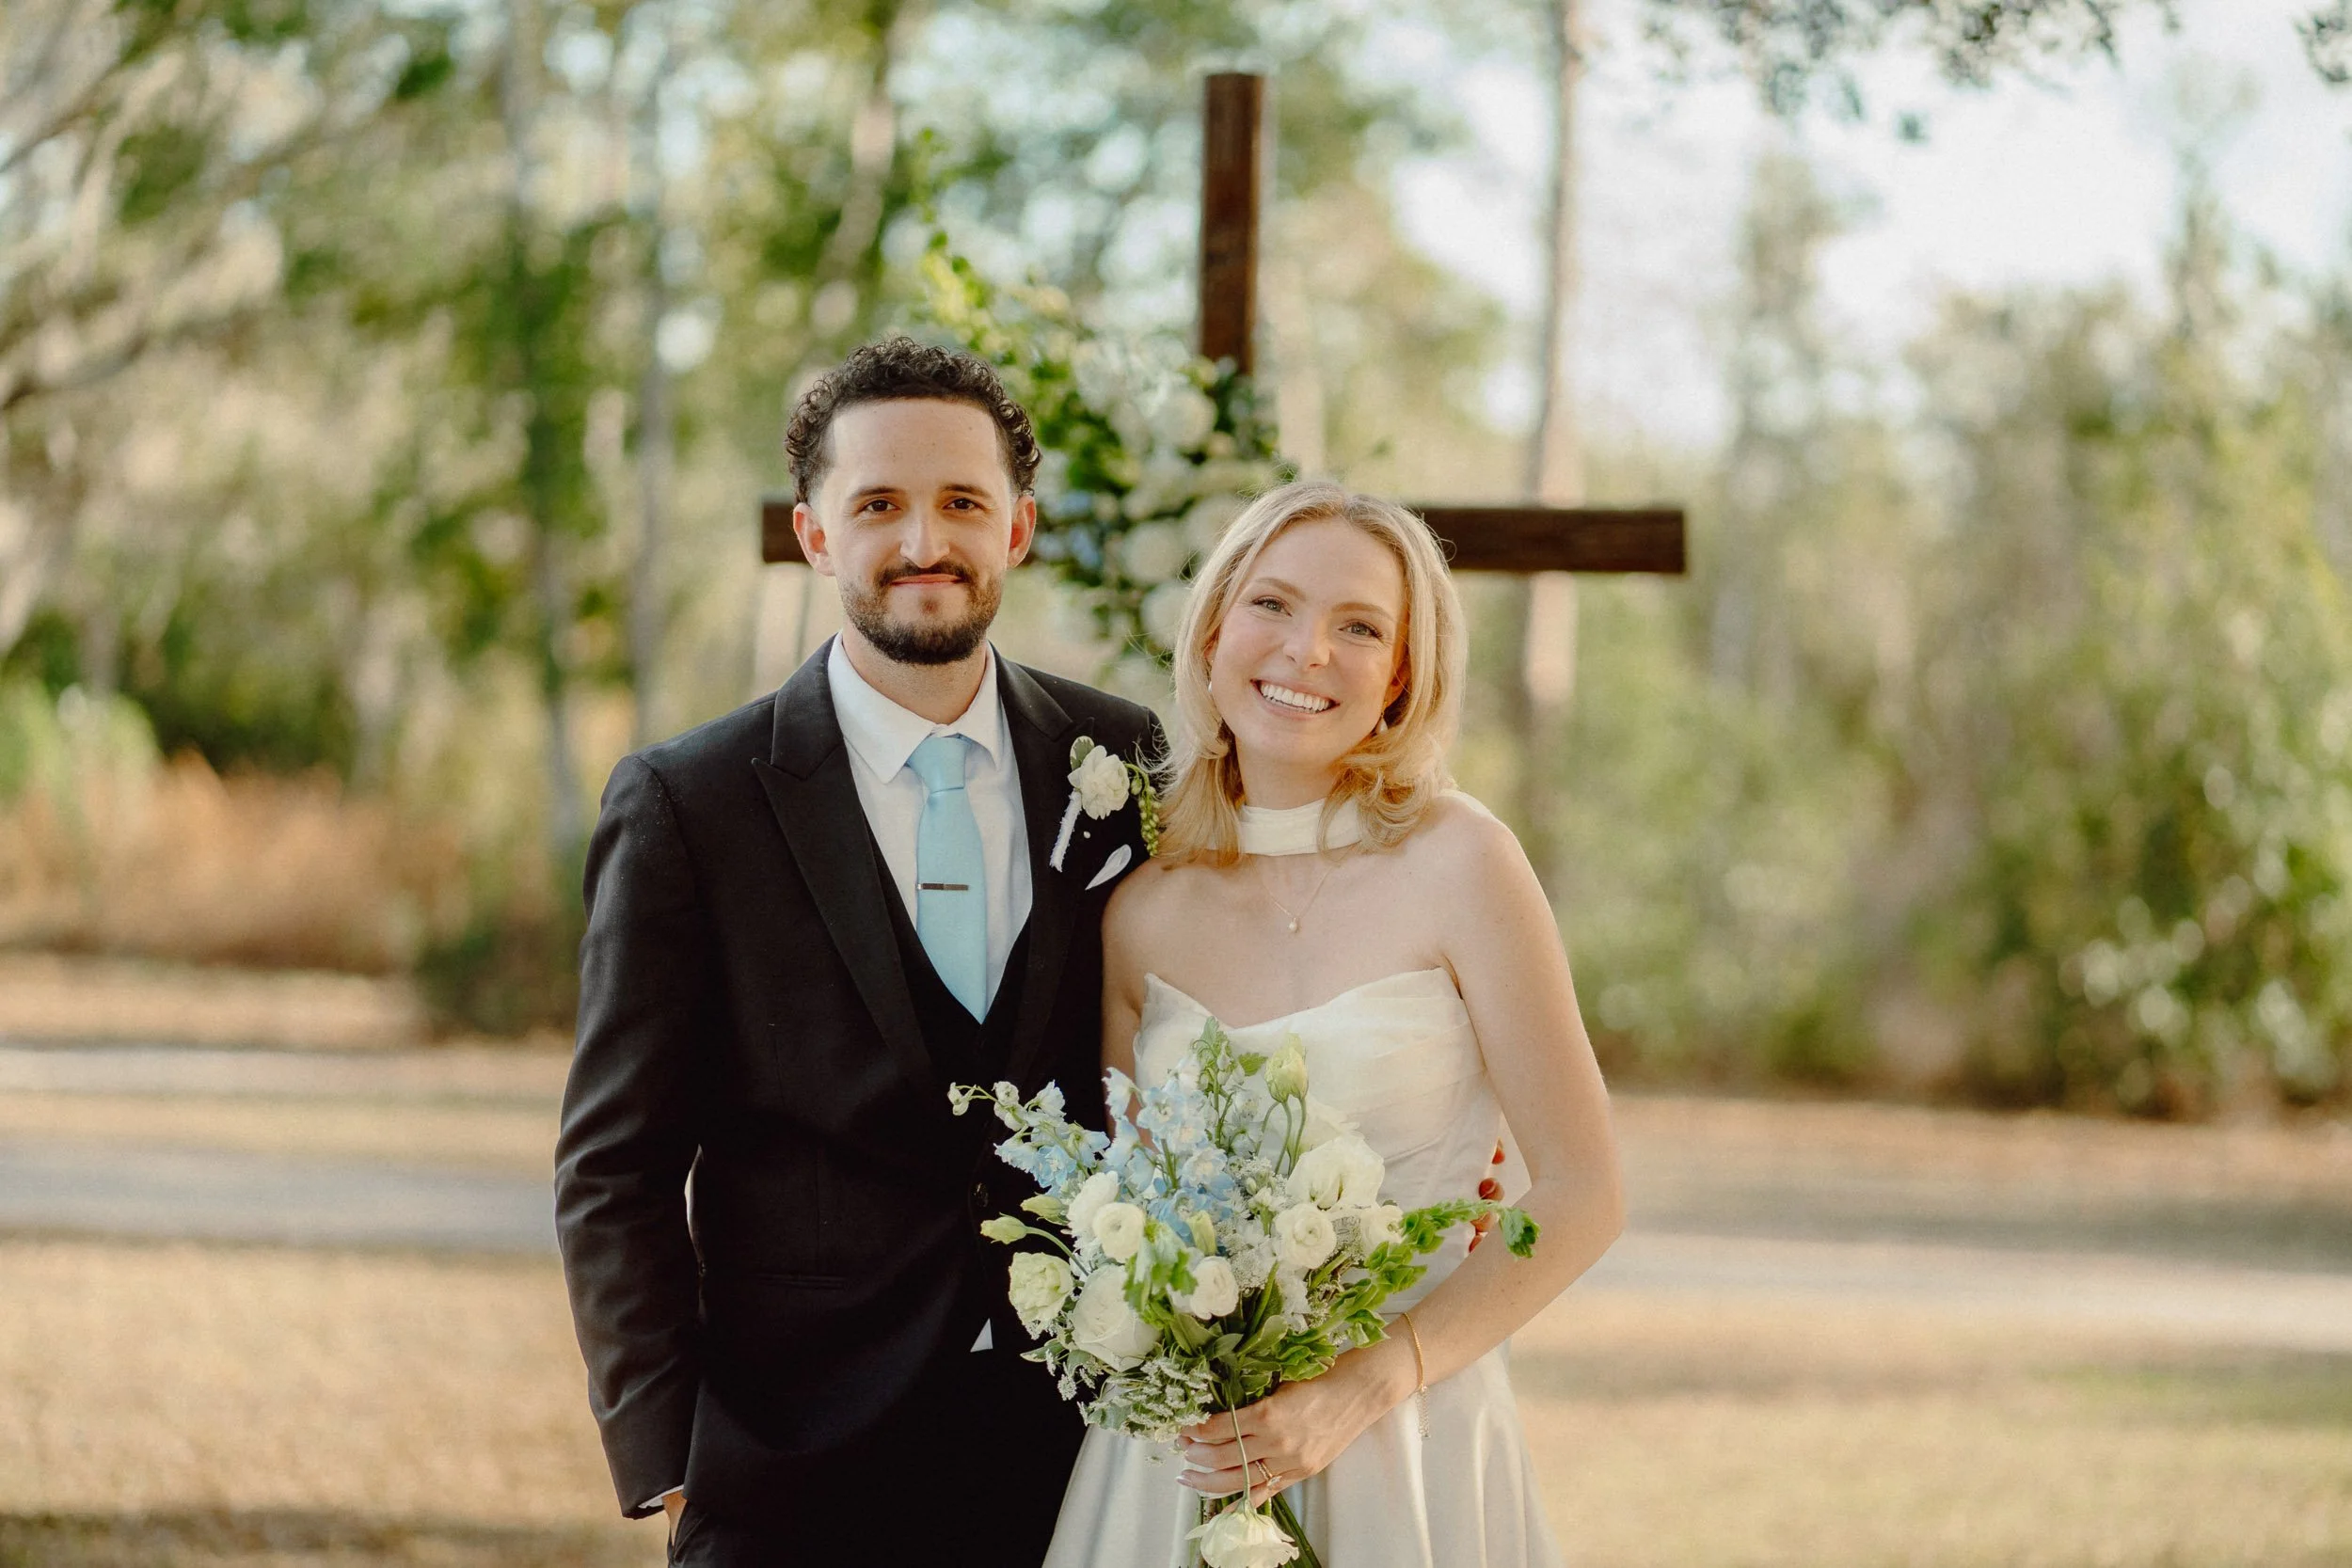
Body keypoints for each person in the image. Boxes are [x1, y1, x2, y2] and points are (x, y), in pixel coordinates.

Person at [553, 338, 1160, 1565]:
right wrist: (671, 1460)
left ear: (1021, 527)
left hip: (1082, 1457)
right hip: (791, 1472)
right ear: (815, 533)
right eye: (878, 503)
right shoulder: (690, 801)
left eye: (962, 503)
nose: (923, 539)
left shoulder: (1124, 764)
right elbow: (614, 1166)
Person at [1044, 481, 1626, 1568]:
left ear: (1401, 673)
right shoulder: (1141, 911)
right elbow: (1126, 1210)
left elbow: (1585, 1194)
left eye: (1359, 625)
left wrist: (1367, 1383)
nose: (1307, 650)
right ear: (1214, 631)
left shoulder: (1464, 862)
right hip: (1185, 1459)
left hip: (1412, 1439)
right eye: (1272, 604)